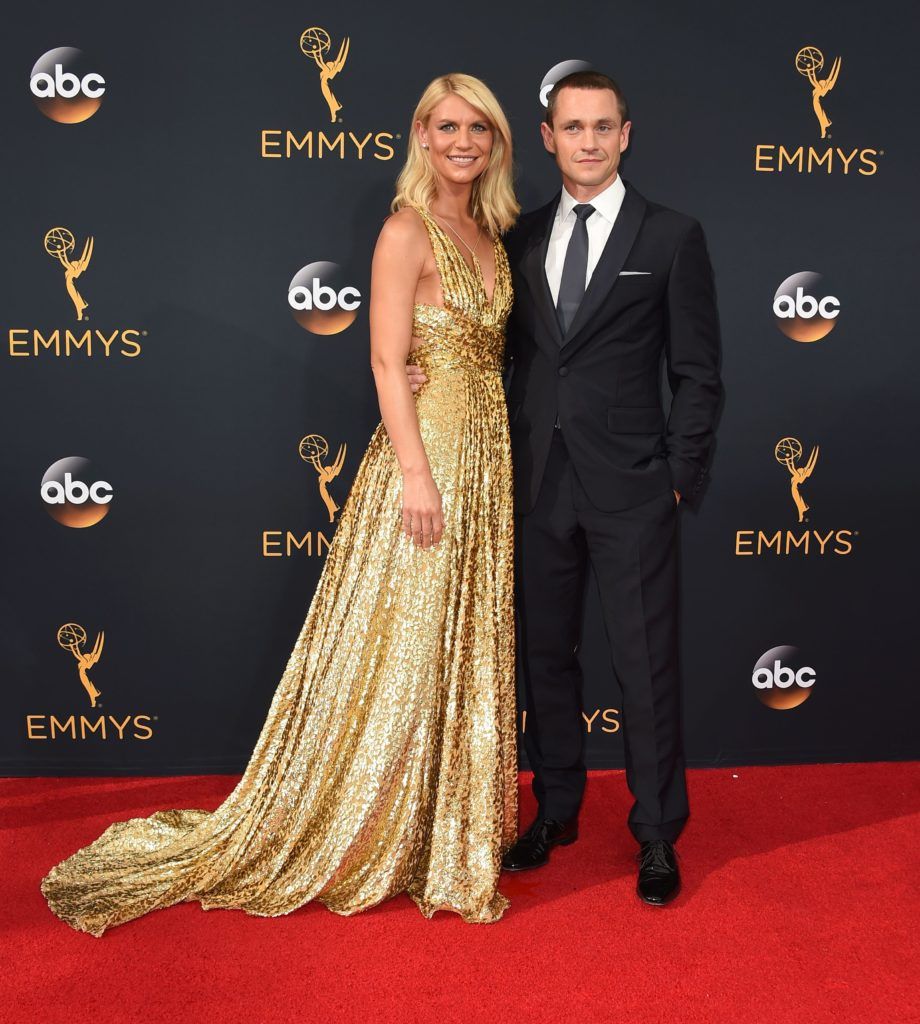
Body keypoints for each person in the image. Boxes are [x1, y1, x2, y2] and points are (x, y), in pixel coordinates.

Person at [40, 72, 520, 936]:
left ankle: (437, 834)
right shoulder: (404, 232)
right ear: (420, 134)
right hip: (431, 464)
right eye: (447, 127)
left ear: (497, 143)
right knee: (404, 643)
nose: (463, 143)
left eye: (478, 129)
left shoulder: (488, 229)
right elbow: (385, 362)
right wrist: (415, 471)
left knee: (458, 640)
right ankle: (368, 827)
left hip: (489, 458)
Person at [408, 70, 723, 905]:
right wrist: (417, 371)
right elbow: (482, 344)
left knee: (643, 665)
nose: (587, 140)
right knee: (544, 657)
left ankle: (657, 834)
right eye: (571, 127)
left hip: (633, 490)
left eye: (603, 126)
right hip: (534, 484)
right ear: (546, 138)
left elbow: (698, 373)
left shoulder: (670, 237)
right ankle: (555, 809)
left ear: (626, 135)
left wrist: (679, 480)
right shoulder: (515, 235)